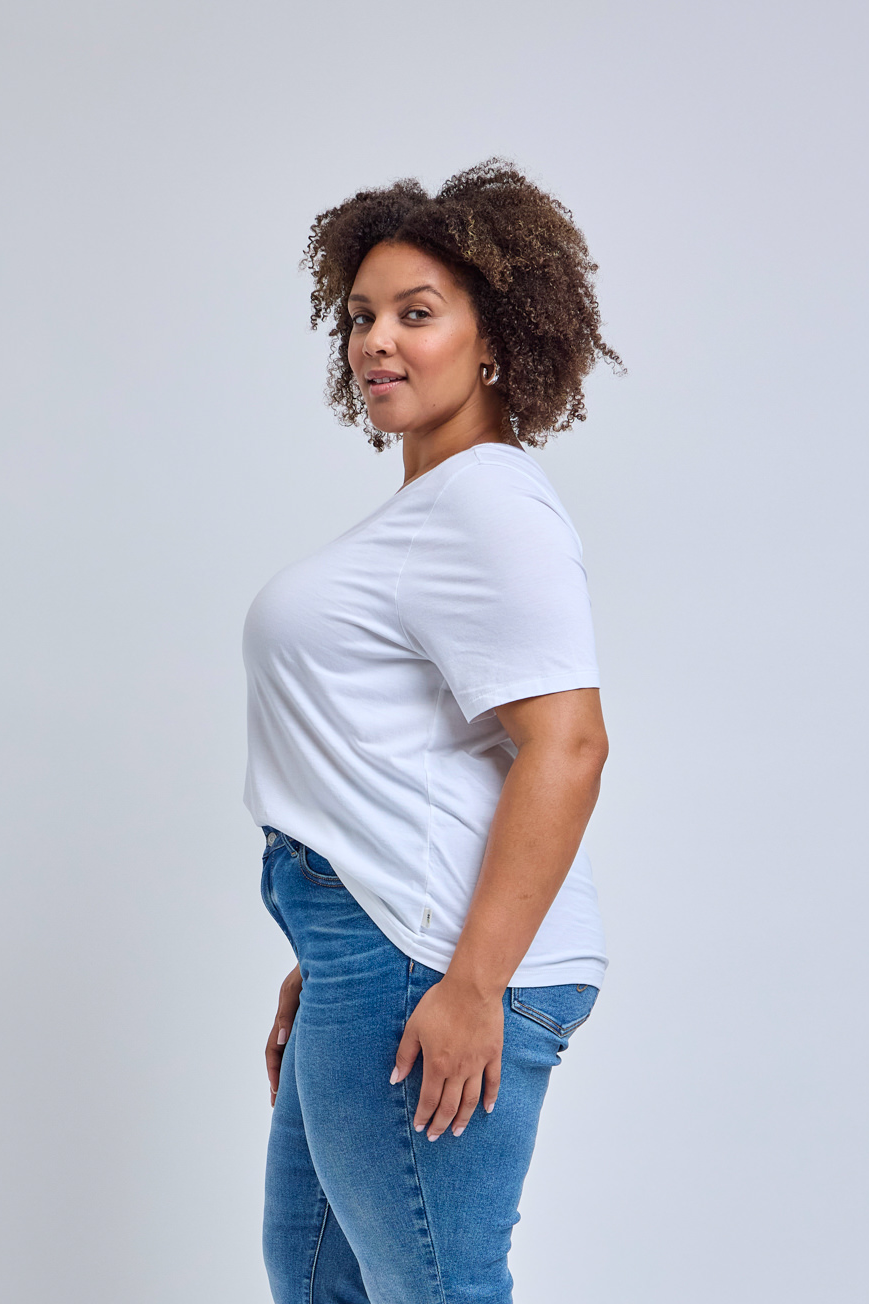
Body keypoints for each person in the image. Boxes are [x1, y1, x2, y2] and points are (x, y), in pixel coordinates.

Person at [241, 156, 623, 1304]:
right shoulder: (429, 512)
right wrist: (327, 946)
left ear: (492, 337)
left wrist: (470, 981)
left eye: (416, 313)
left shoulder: (488, 503)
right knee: (317, 1280)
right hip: (368, 945)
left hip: (435, 962)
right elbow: (398, 756)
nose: (374, 342)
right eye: (360, 316)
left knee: (436, 1288)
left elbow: (567, 744)